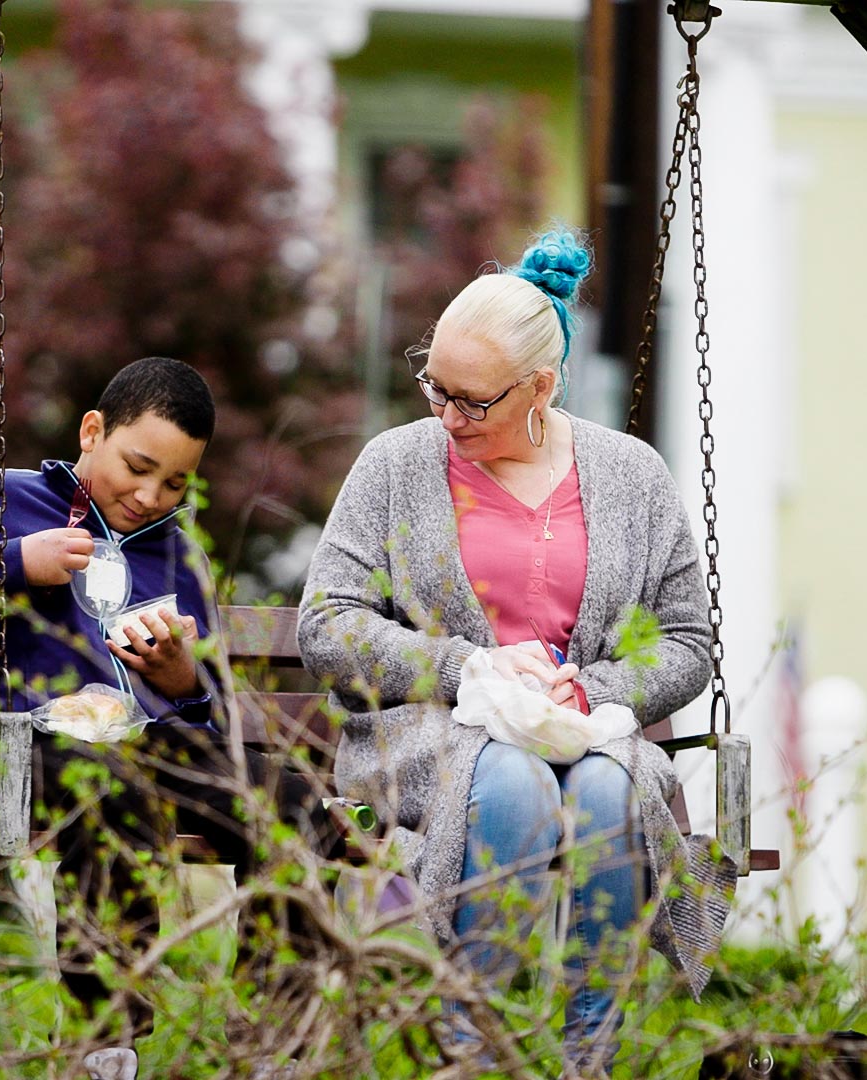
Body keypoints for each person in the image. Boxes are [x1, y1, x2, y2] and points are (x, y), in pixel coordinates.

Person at [297, 231, 734, 1077]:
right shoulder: (394, 465)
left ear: (541, 386)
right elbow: (326, 622)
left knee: (610, 786)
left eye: (474, 402)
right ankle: (471, 1049)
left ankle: (588, 1056)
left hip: (590, 734)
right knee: (513, 782)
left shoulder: (632, 476)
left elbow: (686, 641)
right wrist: (472, 669)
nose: (448, 418)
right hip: (433, 735)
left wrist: (592, 690)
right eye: (437, 391)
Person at [0, 356, 337, 1080]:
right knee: (104, 781)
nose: (149, 495)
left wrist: (183, 682)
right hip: (20, 747)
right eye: (138, 466)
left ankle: (273, 1041)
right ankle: (111, 1043)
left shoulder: (180, 556)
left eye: (175, 482)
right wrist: (13, 559)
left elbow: (209, 726)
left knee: (297, 804)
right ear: (92, 431)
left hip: (147, 750)